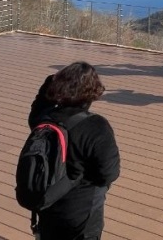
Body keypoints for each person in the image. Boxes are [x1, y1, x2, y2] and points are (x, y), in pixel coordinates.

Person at [27, 62, 121, 240]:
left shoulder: (43, 120)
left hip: (48, 203)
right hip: (81, 213)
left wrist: (52, 82)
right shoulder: (96, 126)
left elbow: (38, 105)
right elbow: (109, 173)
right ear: (92, 93)